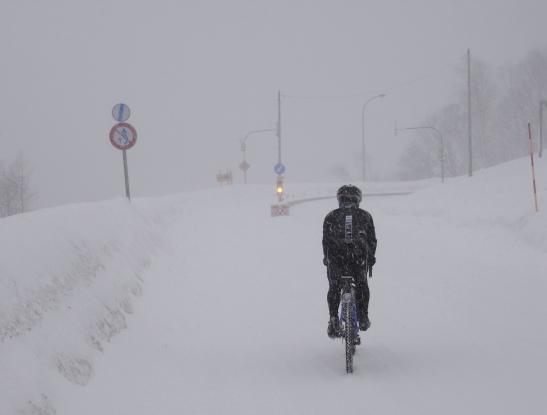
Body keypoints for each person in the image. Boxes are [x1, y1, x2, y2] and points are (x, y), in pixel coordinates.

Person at [322, 184, 377, 339]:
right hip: (357, 258)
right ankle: (364, 317)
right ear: (358, 200)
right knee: (361, 285)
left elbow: (325, 241)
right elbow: (372, 241)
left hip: (336, 258)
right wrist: (370, 258)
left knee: (334, 287)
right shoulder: (365, 216)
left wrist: (327, 259)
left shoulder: (331, 216)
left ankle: (333, 318)